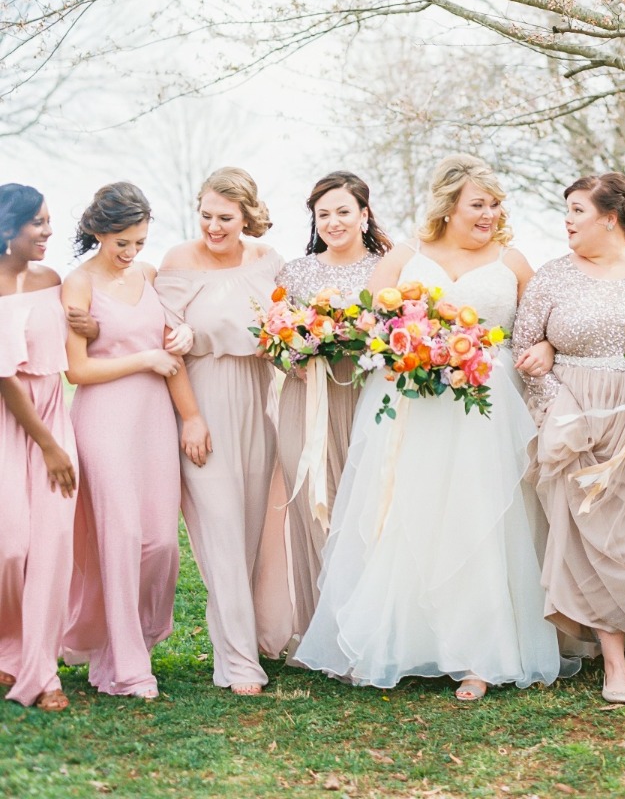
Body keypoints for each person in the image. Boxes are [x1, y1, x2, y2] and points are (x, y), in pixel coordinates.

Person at [294, 154, 573, 699]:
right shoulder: (405, 255)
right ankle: (393, 640)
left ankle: (480, 655)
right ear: (448, 206)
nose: (489, 213)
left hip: (484, 406)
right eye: (478, 204)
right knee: (407, 514)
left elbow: (548, 322)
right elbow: (372, 320)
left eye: (495, 204)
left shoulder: (512, 260)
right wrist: (410, 344)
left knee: (478, 517)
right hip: (412, 402)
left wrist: (542, 343)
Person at [513, 173, 625, 704]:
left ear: (609, 217)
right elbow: (525, 352)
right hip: (579, 418)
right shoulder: (551, 278)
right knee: (594, 541)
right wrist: (558, 407)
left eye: (575, 210)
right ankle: (616, 662)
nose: (566, 221)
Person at [155, 167, 287, 695]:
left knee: (251, 532)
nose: (213, 227)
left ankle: (246, 640)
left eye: (225, 218)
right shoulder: (178, 261)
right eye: (206, 215)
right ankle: (237, 663)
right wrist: (190, 417)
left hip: (260, 400)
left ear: (246, 216)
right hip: (202, 398)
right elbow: (169, 348)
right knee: (221, 533)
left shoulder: (267, 260)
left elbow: (284, 329)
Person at [62, 183, 182, 699]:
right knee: (121, 537)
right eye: (122, 244)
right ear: (97, 232)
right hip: (103, 420)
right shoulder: (78, 284)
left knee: (160, 542)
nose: (132, 253)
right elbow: (78, 368)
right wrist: (147, 360)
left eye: (140, 241)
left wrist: (185, 336)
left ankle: (131, 644)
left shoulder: (150, 275)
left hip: (154, 420)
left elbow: (172, 330)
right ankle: (127, 668)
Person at [277, 172, 392, 645]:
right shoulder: (296, 273)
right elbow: (275, 340)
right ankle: (322, 631)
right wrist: (297, 353)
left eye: (343, 211)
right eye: (323, 214)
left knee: (367, 506)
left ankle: (370, 633)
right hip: (308, 401)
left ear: (365, 215)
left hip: (368, 396)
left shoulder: (388, 269)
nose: (333, 222)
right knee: (314, 504)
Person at [0, 184, 77, 712]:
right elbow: (5, 379)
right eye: (38, 223)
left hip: (54, 410)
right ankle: (9, 647)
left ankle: (42, 669)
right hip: (15, 422)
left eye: (50, 221)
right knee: (12, 548)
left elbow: (73, 337)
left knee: (49, 549)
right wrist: (48, 446)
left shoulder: (52, 281)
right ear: (9, 228)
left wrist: (86, 326)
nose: (49, 232)